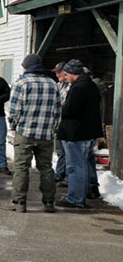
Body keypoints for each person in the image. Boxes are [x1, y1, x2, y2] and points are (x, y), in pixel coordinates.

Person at [5, 54, 60, 213]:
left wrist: (13, 126)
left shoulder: (21, 83)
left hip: (25, 132)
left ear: (26, 67)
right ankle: (49, 202)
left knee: (22, 167)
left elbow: (15, 110)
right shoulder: (53, 84)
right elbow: (57, 111)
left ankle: (19, 202)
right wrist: (53, 129)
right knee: (46, 168)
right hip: (46, 134)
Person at [56, 60, 104, 209]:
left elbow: (71, 110)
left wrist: (61, 107)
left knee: (75, 166)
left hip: (76, 133)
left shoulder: (78, 88)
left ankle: (76, 198)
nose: (66, 77)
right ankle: (90, 189)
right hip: (88, 132)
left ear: (72, 74)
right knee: (86, 164)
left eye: (66, 74)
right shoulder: (91, 85)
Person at [52, 62, 69, 186]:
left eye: (59, 72)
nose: (57, 74)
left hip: (68, 124)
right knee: (60, 151)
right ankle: (59, 174)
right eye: (56, 72)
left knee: (69, 152)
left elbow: (67, 104)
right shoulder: (58, 85)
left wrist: (61, 104)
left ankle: (67, 177)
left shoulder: (72, 86)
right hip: (59, 123)